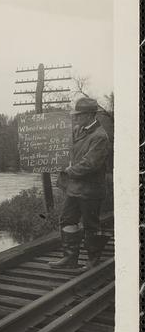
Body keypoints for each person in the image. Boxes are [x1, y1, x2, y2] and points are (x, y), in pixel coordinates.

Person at [51, 97, 111, 269]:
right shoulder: (78, 130)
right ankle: (70, 258)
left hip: (91, 189)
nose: (76, 117)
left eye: (80, 114)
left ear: (91, 115)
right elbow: (64, 148)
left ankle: (93, 260)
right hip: (75, 188)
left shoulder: (100, 136)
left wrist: (66, 171)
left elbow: (89, 164)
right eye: (75, 114)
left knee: (91, 224)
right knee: (67, 220)